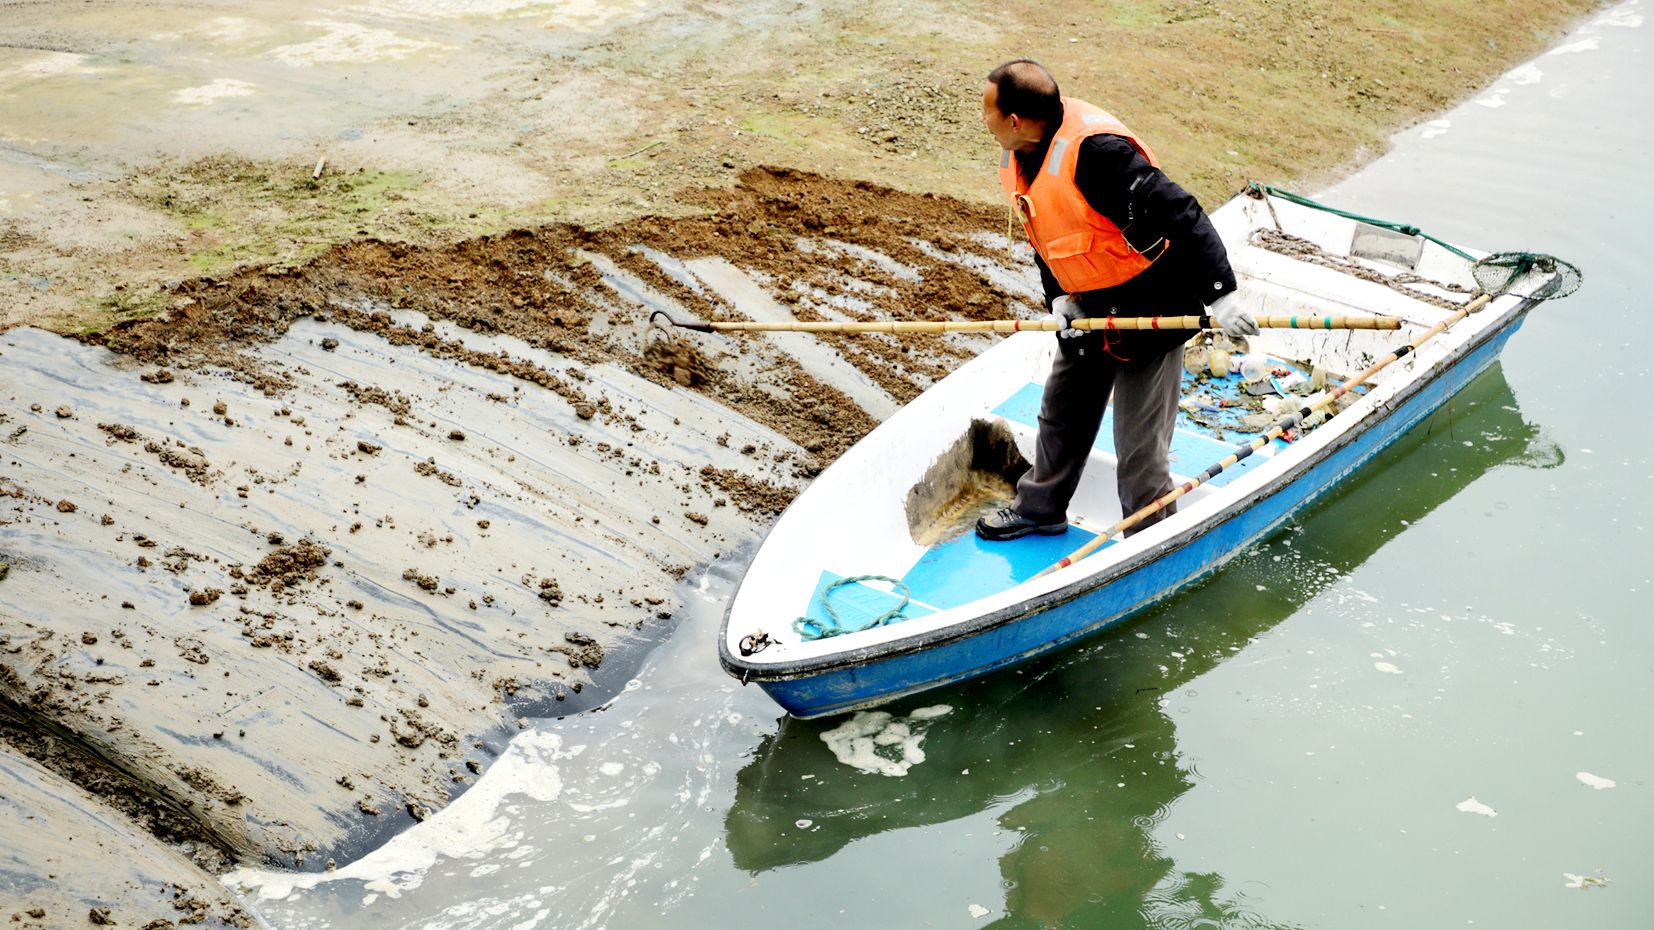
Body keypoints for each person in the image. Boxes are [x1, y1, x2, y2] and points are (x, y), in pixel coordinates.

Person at [975, 59, 1256, 542]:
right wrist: (1060, 297)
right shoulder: (1019, 154)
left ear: (1015, 119)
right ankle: (1041, 510)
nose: (983, 120)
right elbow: (1044, 228)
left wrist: (1222, 295)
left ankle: (1147, 539)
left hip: (1154, 303)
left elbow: (1182, 212)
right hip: (1089, 304)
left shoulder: (1099, 154)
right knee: (1062, 410)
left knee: (1140, 442)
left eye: (987, 111)